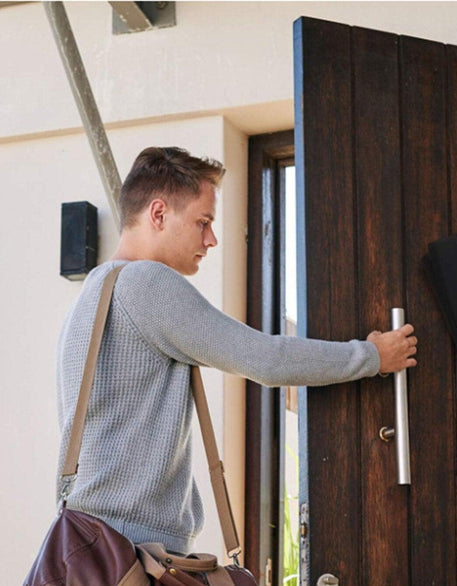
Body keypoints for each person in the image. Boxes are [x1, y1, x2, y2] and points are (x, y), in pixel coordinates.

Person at [56, 145, 417, 561]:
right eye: (203, 222)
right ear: (158, 214)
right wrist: (371, 356)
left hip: (91, 550)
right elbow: (267, 359)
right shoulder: (147, 284)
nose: (211, 239)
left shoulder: (93, 294)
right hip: (136, 556)